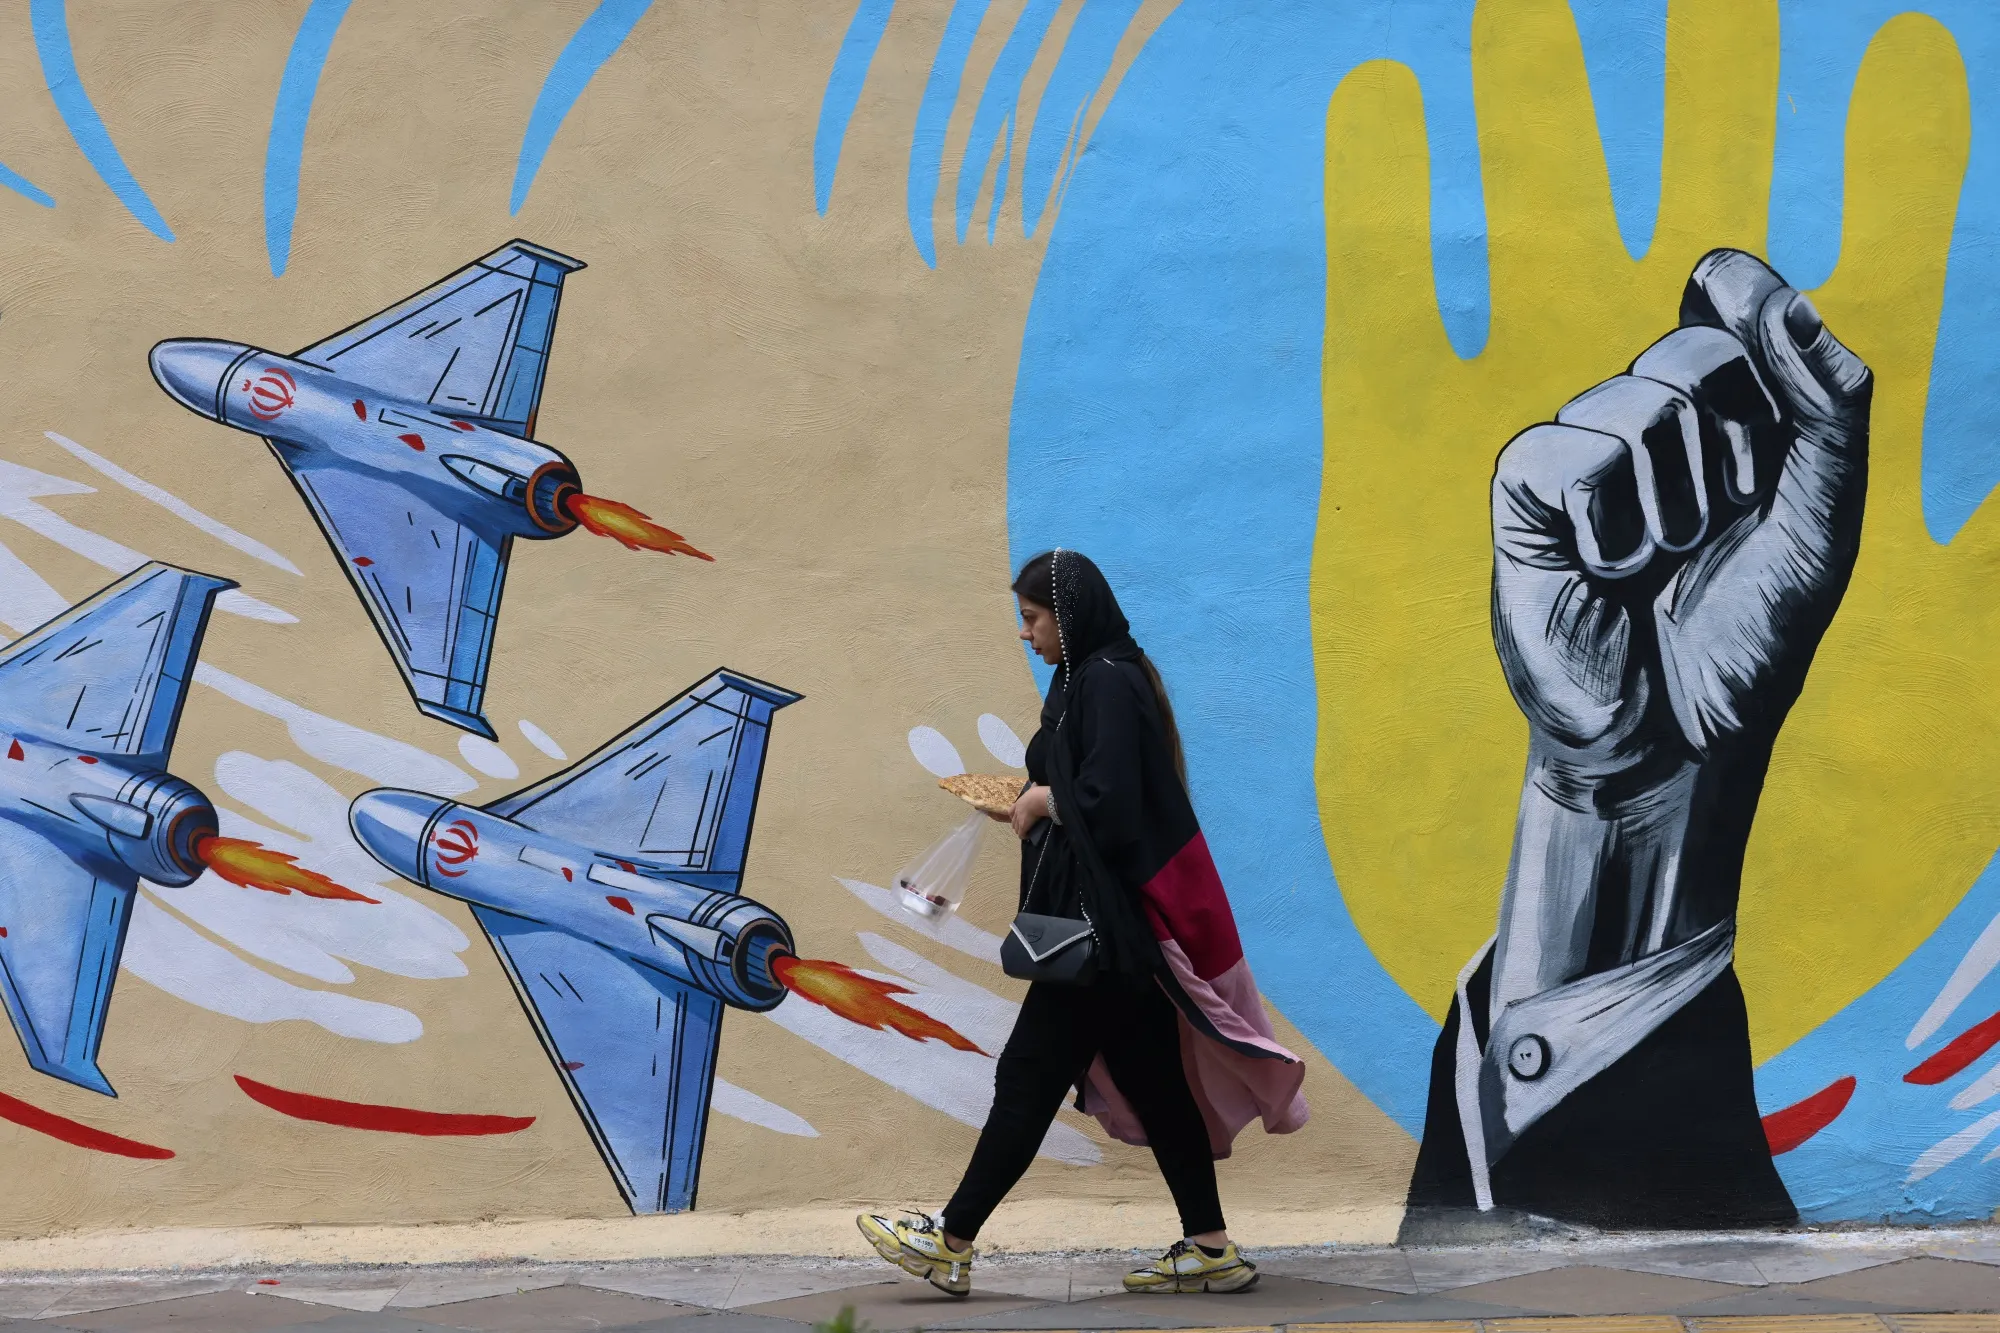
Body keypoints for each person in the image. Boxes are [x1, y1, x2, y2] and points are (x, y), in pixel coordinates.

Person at [859, 549, 1308, 1297]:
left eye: (1032, 619)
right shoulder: (1089, 681)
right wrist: (1028, 795)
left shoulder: (1105, 682)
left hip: (1100, 935)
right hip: (1116, 935)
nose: (1026, 635)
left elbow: (1112, 803)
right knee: (1157, 1085)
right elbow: (1090, 781)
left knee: (1028, 1075)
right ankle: (1211, 1248)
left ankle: (952, 1239)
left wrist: (1039, 803)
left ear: (1067, 616)